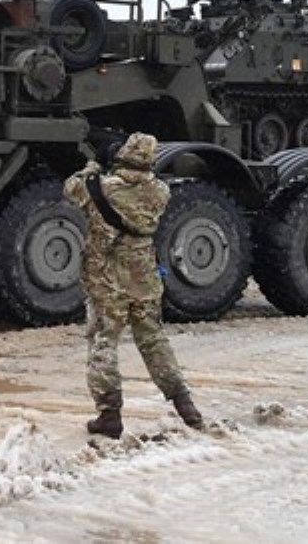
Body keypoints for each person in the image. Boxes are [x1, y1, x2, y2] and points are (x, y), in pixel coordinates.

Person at [63, 132, 203, 438]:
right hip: (144, 276)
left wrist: (94, 163)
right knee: (153, 340)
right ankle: (185, 405)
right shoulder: (161, 191)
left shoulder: (102, 187)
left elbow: (71, 188)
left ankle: (109, 415)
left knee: (104, 341)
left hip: (107, 277)